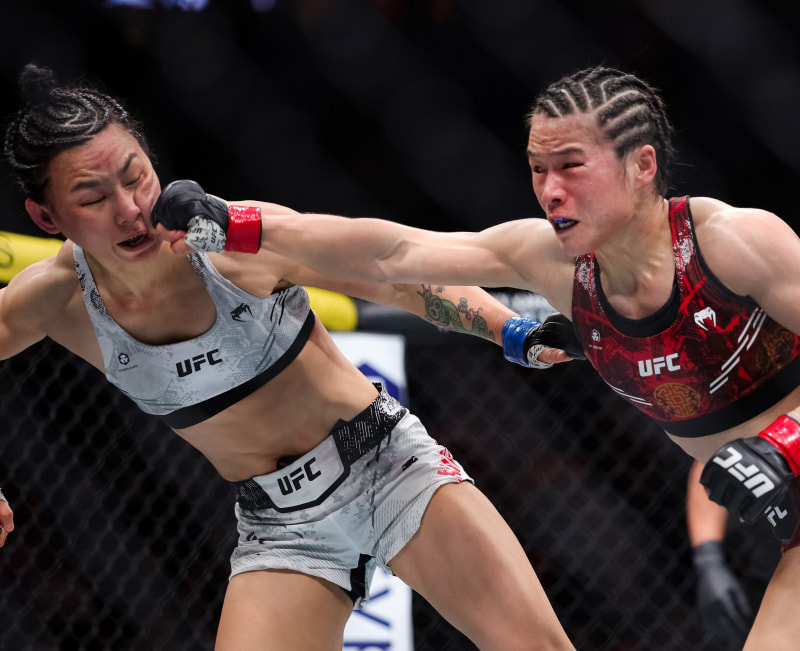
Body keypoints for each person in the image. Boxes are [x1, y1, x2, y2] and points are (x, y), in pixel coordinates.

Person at [161, 66, 800, 648]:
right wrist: (240, 223)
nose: (550, 191)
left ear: (642, 165)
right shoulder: (555, 265)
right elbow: (393, 253)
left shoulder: (734, 244)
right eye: (538, 169)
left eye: (571, 166)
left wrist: (784, 444)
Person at [0, 64, 580, 650]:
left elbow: (393, 275)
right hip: (279, 523)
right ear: (46, 217)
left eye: (136, 177)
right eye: (93, 198)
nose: (129, 209)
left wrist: (514, 333)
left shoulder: (230, 240)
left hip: (389, 469)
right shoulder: (53, 300)